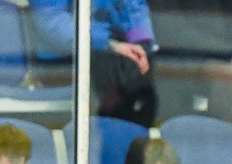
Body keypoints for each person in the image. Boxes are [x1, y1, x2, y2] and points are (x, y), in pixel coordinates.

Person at [30, 0, 160, 127]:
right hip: (66, 60)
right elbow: (50, 21)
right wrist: (108, 44)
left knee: (141, 97)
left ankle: (135, 138)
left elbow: (133, 5)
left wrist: (141, 41)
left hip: (115, 52)